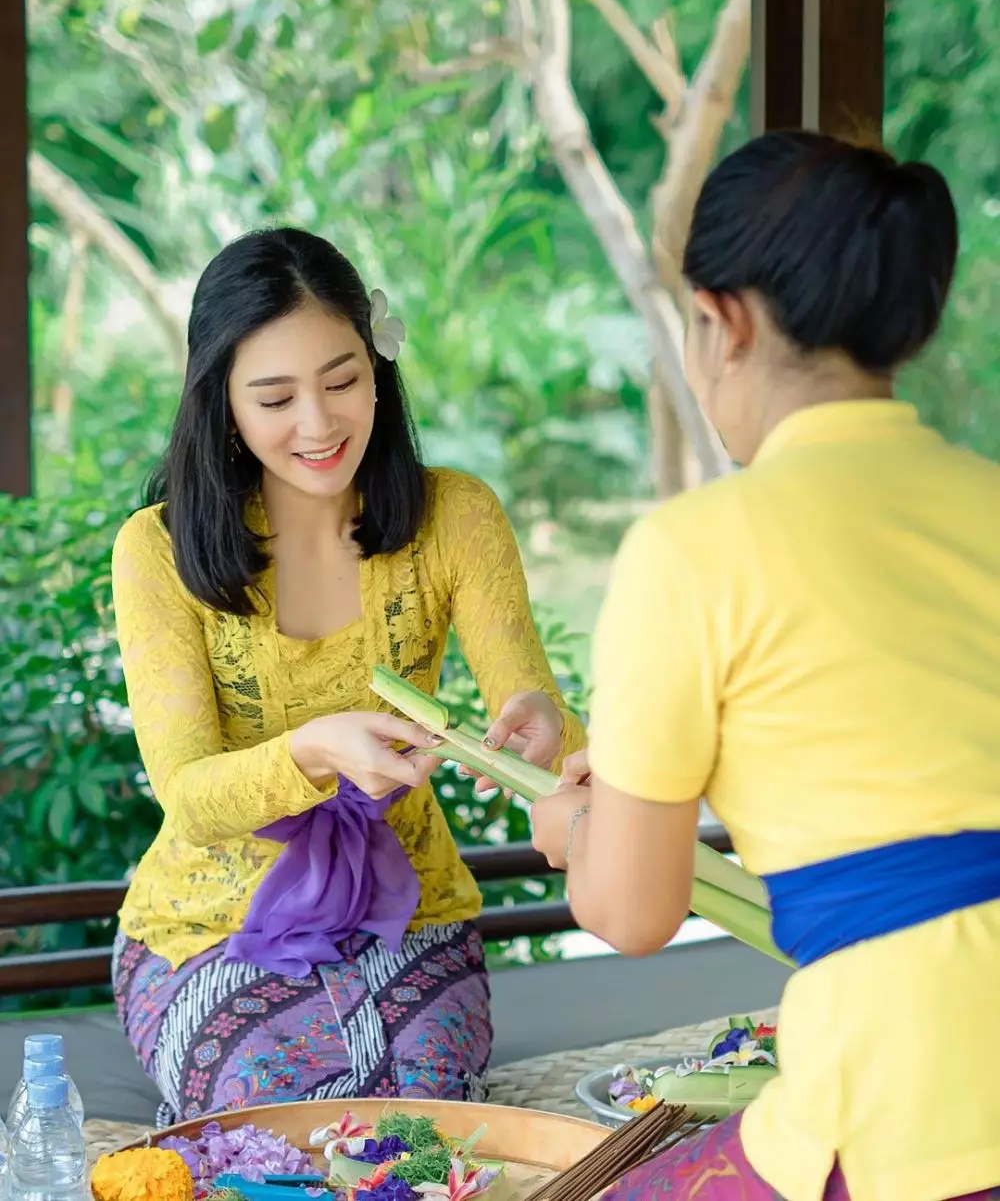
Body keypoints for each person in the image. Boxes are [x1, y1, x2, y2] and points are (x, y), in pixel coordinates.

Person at [530, 132, 1000, 1201]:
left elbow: (635, 910)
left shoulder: (691, 550)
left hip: (912, 1091)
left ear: (723, 321)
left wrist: (573, 830)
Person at [111, 227, 584, 1128]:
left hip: (415, 916)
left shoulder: (457, 514)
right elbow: (189, 794)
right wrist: (315, 749)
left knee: (423, 1118)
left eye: (341, 381)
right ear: (222, 403)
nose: (320, 424)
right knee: (272, 1121)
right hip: (209, 926)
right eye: (276, 397)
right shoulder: (157, 550)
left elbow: (535, 707)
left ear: (379, 368)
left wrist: (542, 726)